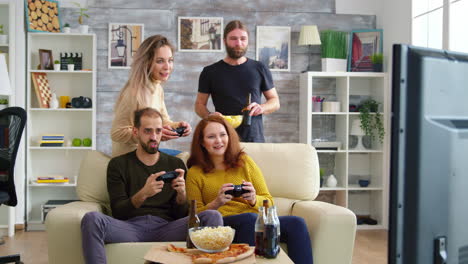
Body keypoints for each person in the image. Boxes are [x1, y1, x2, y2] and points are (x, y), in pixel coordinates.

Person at [81, 108, 223, 264]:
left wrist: (181, 196)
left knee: (212, 216)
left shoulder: (175, 163)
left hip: (166, 227)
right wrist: (144, 193)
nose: (154, 137)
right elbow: (118, 211)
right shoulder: (118, 164)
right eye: (147, 131)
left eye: (158, 131)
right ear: (136, 132)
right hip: (130, 228)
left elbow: (180, 215)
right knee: (92, 219)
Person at [185, 115, 313, 264]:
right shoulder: (195, 173)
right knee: (249, 220)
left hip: (256, 221)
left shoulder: (244, 162)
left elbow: (269, 203)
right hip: (224, 225)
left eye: (222, 135)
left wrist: (253, 199)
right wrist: (217, 203)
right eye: (211, 137)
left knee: (296, 223)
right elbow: (195, 217)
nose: (219, 141)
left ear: (229, 136)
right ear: (202, 142)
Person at [195, 20, 280, 143]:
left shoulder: (259, 68)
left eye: (243, 39)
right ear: (225, 41)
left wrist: (261, 108)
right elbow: (199, 105)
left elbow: (275, 101)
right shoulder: (209, 71)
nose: (238, 43)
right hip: (222, 140)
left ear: (247, 41)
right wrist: (209, 116)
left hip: (254, 139)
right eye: (233, 39)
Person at [111, 35, 192, 157]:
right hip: (130, 158)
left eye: (170, 60)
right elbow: (117, 133)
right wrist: (153, 134)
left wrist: (178, 126)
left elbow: (163, 121)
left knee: (186, 158)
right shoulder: (133, 93)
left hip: (147, 153)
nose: (167, 67)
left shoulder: (157, 87)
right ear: (147, 63)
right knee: (182, 161)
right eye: (160, 61)